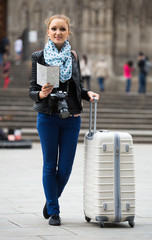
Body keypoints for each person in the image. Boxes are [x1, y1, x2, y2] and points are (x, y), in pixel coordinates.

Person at [29, 14, 99, 226]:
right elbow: (32, 90)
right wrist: (41, 94)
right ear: (48, 32)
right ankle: (54, 211)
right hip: (48, 117)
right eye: (54, 29)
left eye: (62, 29)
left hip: (71, 118)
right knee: (50, 166)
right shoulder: (38, 56)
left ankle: (50, 200)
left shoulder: (74, 57)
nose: (58, 32)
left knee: (66, 168)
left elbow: (76, 86)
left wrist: (87, 93)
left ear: (69, 33)